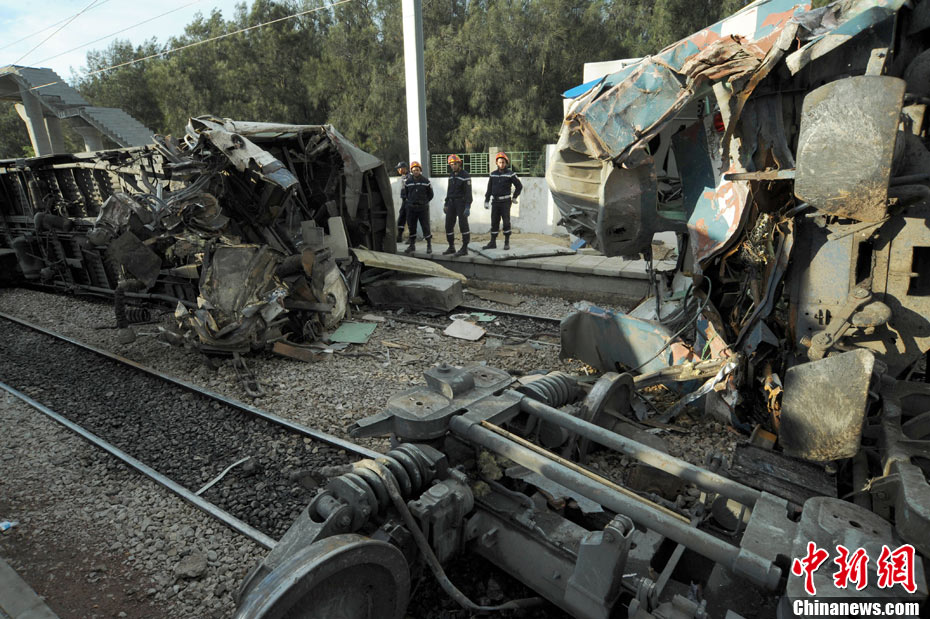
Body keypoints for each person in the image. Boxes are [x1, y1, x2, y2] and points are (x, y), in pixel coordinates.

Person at [483, 151, 523, 250]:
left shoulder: (510, 174)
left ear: (506, 163)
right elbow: (489, 188)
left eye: (503, 162)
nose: (501, 164)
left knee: (506, 222)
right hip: (495, 202)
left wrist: (514, 197)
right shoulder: (493, 174)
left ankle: (506, 242)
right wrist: (486, 200)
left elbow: (519, 186)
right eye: (499, 162)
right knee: (494, 222)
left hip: (505, 202)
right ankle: (492, 242)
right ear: (497, 163)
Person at [442, 154, 472, 257]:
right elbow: (449, 190)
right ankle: (451, 247)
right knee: (448, 225)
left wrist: (468, 206)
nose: (453, 166)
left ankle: (464, 248)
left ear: (459, 163)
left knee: (463, 225)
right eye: (451, 164)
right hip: (451, 203)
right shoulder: (451, 175)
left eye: (455, 164)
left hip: (461, 203)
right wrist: (446, 203)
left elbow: (468, 192)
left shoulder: (465, 175)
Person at [400, 161, 433, 254]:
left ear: (420, 170)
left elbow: (431, 194)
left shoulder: (426, 181)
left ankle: (429, 245)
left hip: (423, 208)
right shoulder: (408, 182)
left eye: (417, 170)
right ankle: (412, 246)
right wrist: (410, 202)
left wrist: (424, 202)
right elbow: (406, 194)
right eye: (414, 170)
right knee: (412, 227)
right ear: (411, 171)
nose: (416, 172)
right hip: (411, 208)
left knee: (425, 227)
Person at [395, 161, 409, 240]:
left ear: (403, 168)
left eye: (399, 168)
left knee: (409, 219)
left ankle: (411, 238)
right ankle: (399, 235)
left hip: (408, 200)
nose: (398, 170)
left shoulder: (409, 177)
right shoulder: (403, 177)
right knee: (401, 217)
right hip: (404, 200)